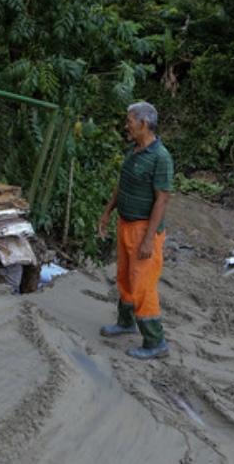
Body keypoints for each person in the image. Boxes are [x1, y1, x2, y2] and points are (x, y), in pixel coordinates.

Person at [98, 102, 173, 360]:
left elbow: (162, 200)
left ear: (143, 123)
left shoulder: (160, 157)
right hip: (125, 224)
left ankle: (156, 342)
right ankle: (126, 321)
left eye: (129, 120)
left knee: (143, 285)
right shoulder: (134, 151)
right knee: (125, 277)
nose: (126, 125)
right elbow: (123, 185)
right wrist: (108, 211)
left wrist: (149, 239)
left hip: (143, 230)